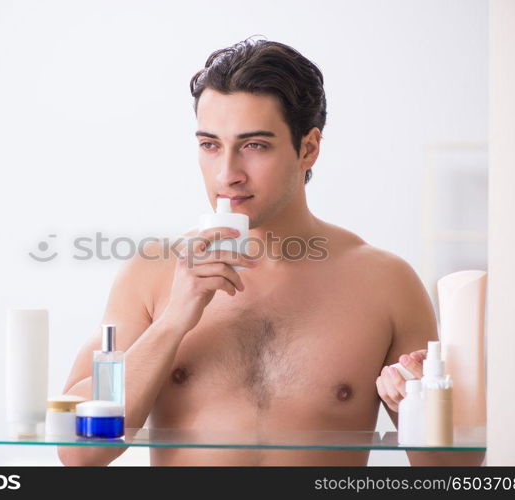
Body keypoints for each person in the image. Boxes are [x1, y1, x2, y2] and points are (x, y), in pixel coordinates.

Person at [58, 38, 484, 466]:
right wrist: (172, 321)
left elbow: (454, 472)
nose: (227, 174)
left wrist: (415, 403)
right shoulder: (152, 275)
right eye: (210, 145)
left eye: (254, 145)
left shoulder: (387, 284)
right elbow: (80, 453)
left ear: (308, 148)